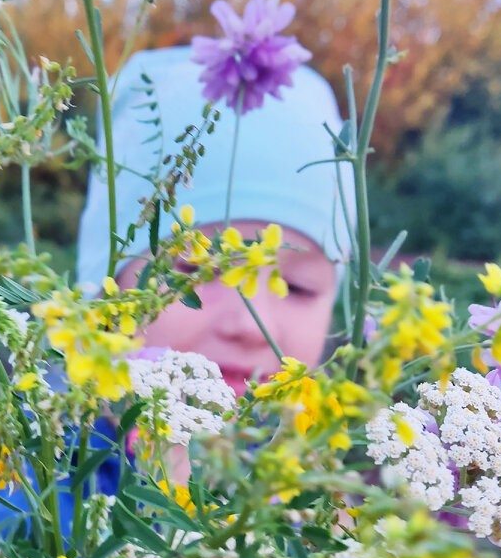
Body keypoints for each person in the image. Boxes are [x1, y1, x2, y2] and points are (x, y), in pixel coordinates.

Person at [76, 44, 356, 387]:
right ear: (106, 285)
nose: (252, 325)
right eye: (196, 270)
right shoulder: (40, 418)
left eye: (298, 287)